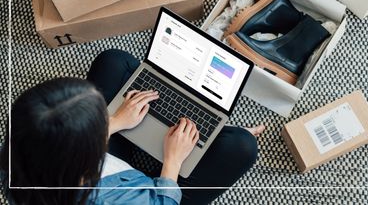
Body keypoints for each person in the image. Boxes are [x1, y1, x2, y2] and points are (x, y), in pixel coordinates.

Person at [0, 49, 265, 205]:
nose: (106, 115)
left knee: (113, 60)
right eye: (99, 122)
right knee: (241, 146)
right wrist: (172, 161)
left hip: (95, 167)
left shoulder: (20, 148)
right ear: (85, 157)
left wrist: (116, 121)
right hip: (150, 192)